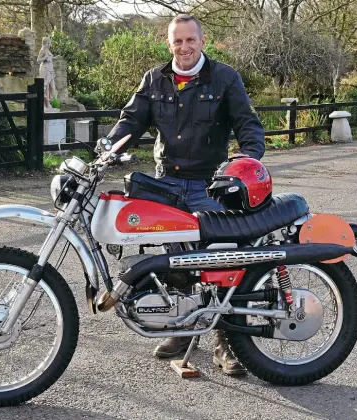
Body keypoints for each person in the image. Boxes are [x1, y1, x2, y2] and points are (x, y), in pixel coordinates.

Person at [104, 14, 265, 375]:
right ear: (169, 44)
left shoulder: (225, 78)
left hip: (210, 185)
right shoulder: (154, 79)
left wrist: (246, 161)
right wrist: (106, 150)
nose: (185, 47)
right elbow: (130, 122)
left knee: (222, 265)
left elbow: (249, 126)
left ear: (203, 41)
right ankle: (182, 327)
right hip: (167, 186)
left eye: (191, 40)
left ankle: (227, 344)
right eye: (178, 41)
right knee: (174, 264)